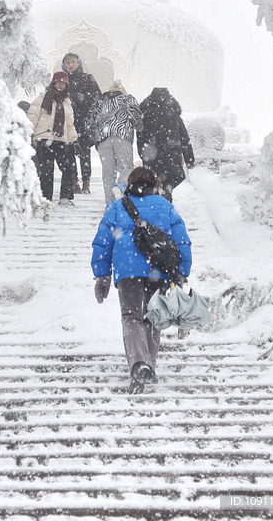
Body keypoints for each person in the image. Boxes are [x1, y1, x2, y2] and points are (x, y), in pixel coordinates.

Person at [91, 166, 192, 394]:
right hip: (159, 268)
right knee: (152, 317)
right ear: (155, 184)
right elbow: (181, 240)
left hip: (128, 270)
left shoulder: (118, 207)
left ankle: (139, 364)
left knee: (131, 318)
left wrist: (102, 275)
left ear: (130, 184)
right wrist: (181, 271)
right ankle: (150, 365)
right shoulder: (166, 207)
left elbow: (103, 242)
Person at [85, 81, 143, 204]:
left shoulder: (99, 103)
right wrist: (139, 126)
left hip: (103, 139)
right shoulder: (127, 99)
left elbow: (89, 125)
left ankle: (109, 204)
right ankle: (121, 185)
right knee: (125, 167)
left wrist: (96, 138)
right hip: (122, 136)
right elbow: (136, 116)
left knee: (108, 173)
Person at [27, 72, 79, 205]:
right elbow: (33, 116)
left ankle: (65, 198)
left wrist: (74, 140)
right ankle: (46, 199)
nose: (60, 85)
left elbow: (69, 124)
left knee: (68, 167)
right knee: (46, 170)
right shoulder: (43, 97)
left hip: (61, 139)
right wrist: (28, 133)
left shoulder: (67, 102)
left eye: (63, 83)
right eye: (58, 82)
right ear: (53, 83)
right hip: (44, 137)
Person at [137, 87, 195, 202]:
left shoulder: (146, 115)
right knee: (168, 181)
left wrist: (142, 154)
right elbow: (184, 138)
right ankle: (166, 197)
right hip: (171, 154)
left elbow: (140, 137)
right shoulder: (174, 116)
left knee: (152, 181)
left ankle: (155, 202)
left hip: (152, 155)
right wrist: (190, 160)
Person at [62, 52, 101, 194]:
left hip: (83, 123)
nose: (70, 65)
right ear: (64, 65)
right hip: (67, 124)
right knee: (69, 153)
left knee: (84, 153)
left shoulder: (88, 78)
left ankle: (86, 183)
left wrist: (84, 98)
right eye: (67, 63)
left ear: (78, 63)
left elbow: (98, 98)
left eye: (73, 61)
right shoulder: (62, 81)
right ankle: (74, 182)